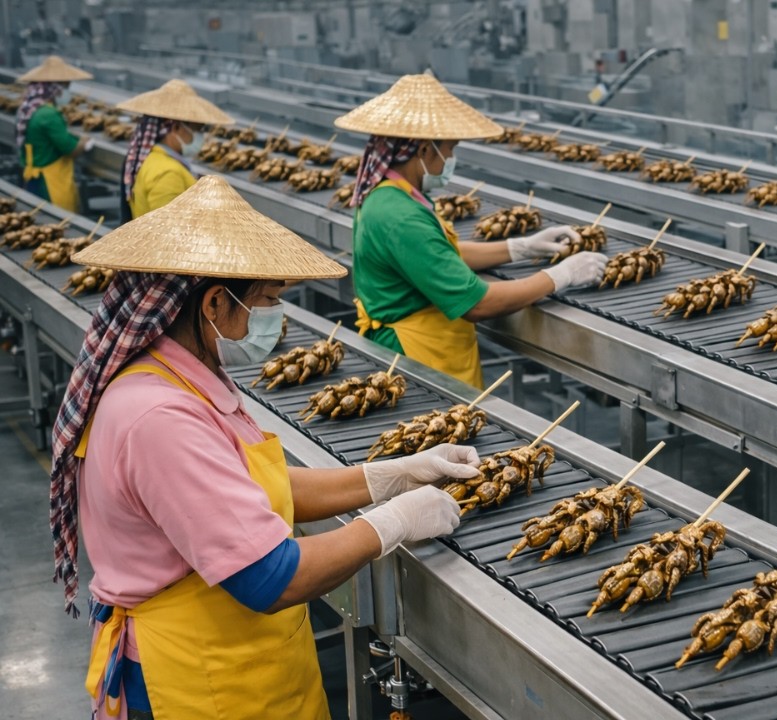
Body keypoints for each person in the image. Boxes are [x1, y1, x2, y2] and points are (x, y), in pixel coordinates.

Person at [50, 176, 475, 719]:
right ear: (213, 304)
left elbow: (243, 490)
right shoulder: (158, 418)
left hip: (241, 664)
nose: (274, 317)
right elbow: (268, 576)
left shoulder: (180, 375)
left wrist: (390, 476)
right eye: (267, 301)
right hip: (197, 682)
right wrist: (391, 523)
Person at [335, 73, 607, 389]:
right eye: (449, 149)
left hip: (421, 350)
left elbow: (433, 257)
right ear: (424, 150)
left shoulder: (389, 194)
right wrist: (560, 276)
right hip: (420, 363)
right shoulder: (400, 216)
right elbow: (478, 304)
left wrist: (519, 248)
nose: (450, 158)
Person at [116, 79, 233, 220]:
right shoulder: (168, 173)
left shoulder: (152, 159)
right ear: (176, 127)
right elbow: (169, 230)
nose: (200, 136)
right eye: (197, 130)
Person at [15, 55, 94, 212]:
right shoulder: (48, 115)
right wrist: (84, 143)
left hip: (33, 177)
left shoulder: (30, 108)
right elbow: (70, 149)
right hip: (49, 183)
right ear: (54, 88)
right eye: (65, 87)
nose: (66, 92)